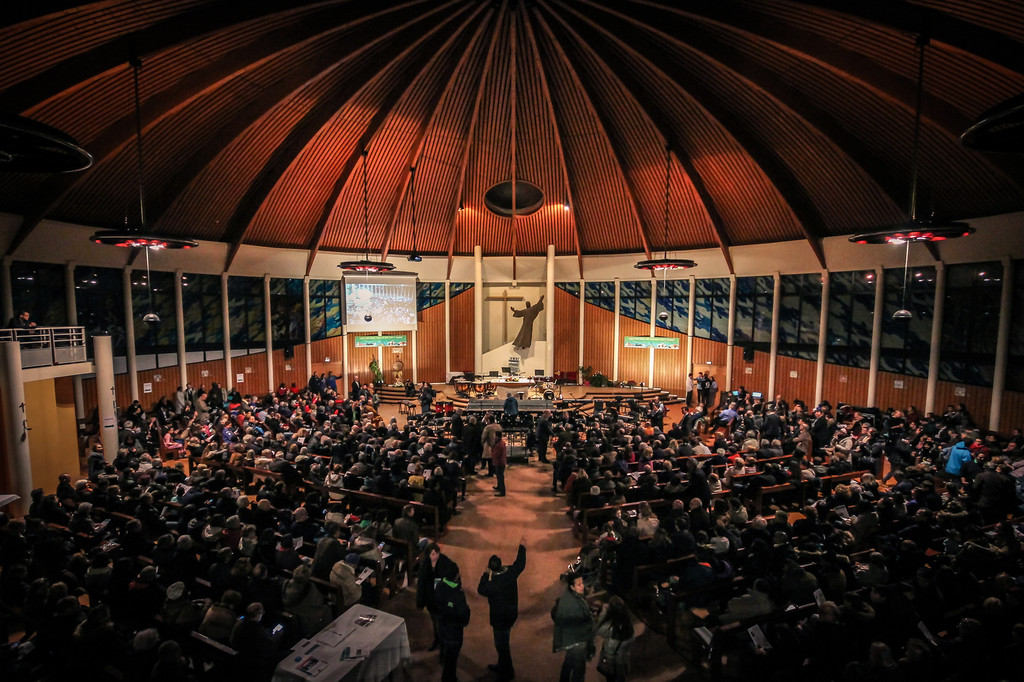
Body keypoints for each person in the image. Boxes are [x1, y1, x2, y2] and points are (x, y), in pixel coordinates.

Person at [477, 538, 527, 682]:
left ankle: (507, 673)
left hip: (499, 619)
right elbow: (520, 563)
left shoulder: (491, 586)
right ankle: (501, 665)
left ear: (491, 569)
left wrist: (485, 574)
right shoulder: (510, 573)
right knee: (503, 644)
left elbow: (480, 589)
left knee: (502, 646)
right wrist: (522, 546)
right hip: (511, 614)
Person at [552, 571, 596, 682]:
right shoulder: (573, 605)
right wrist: (592, 624)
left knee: (569, 662)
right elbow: (581, 627)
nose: (582, 586)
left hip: (570, 640)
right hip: (577, 641)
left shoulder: (568, 597)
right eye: (579, 584)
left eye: (582, 583)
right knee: (579, 669)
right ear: (572, 587)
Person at [417, 542, 460, 652]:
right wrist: (420, 601)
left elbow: (455, 578)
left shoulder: (446, 563)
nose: (433, 557)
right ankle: (438, 640)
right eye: (431, 554)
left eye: (435, 554)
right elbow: (421, 584)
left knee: (443, 624)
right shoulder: (425, 565)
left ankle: (444, 645)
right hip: (432, 601)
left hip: (443, 601)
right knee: (435, 622)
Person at [435, 564, 471, 682]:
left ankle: (442, 658)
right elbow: (464, 614)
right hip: (454, 632)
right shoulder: (457, 594)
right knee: (451, 660)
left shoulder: (440, 585)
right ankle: (448, 678)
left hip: (442, 626)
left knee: (444, 646)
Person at [594, 595, 634, 682]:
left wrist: (603, 613)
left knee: (611, 678)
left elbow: (596, 629)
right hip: (622, 659)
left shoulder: (611, 628)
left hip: (611, 659)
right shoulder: (627, 624)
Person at [492, 429, 508, 497]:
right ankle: (499, 487)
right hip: (501, 462)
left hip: (499, 463)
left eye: (495, 436)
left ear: (498, 436)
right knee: (499, 476)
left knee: (500, 477)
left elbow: (496, 454)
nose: (494, 437)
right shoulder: (501, 443)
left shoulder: (499, 445)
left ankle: (502, 491)